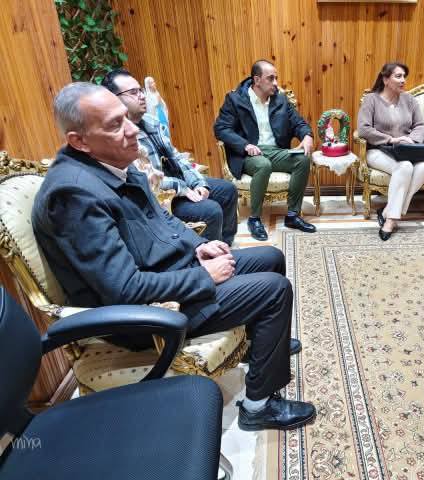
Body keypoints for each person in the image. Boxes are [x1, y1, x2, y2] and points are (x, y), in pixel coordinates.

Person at [32, 82, 316, 431]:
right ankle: (259, 407)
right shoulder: (73, 195)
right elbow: (123, 289)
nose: (132, 130)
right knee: (274, 290)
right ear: (79, 141)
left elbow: (162, 218)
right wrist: (203, 276)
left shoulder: (110, 163)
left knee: (270, 257)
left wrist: (197, 245)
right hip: (147, 314)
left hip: (168, 272)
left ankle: (259, 347)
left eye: (126, 118)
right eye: (115, 125)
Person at [102, 69, 238, 246]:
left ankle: (226, 245)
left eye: (140, 90)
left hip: (177, 181)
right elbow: (144, 180)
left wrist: (198, 183)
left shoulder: (151, 122)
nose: (142, 96)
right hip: (158, 198)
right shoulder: (118, 136)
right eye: (133, 92)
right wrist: (182, 187)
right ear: (113, 99)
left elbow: (176, 157)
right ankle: (207, 257)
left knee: (227, 190)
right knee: (211, 211)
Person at [214, 60, 316, 241]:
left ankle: (292, 215)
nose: (276, 83)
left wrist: (307, 135)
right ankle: (254, 219)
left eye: (276, 78)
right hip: (248, 154)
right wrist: (245, 145)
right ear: (257, 80)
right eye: (271, 78)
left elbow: (298, 123)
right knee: (263, 165)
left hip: (275, 151)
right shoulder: (235, 99)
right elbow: (221, 128)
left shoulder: (280, 99)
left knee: (303, 159)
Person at [357, 62, 424, 241]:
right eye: (398, 76)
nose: (403, 80)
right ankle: (391, 221)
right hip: (379, 150)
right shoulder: (371, 100)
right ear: (385, 79)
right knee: (405, 167)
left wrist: (411, 140)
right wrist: (391, 139)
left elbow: (420, 125)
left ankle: (388, 210)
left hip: (406, 150)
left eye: (404, 76)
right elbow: (364, 129)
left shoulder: (409, 100)